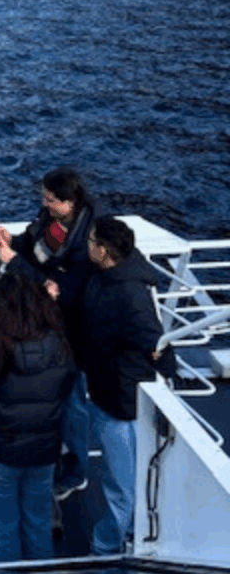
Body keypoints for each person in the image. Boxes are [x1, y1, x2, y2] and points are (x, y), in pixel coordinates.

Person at [0, 166, 100, 499]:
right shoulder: (54, 221)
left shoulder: (83, 243)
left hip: (71, 331)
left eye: (52, 200)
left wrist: (13, 262)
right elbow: (33, 243)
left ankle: (76, 472)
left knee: (73, 404)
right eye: (45, 197)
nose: (45, 203)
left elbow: (61, 288)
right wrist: (13, 241)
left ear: (70, 202)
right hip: (48, 322)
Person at [0, 271, 76, 563]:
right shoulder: (60, 344)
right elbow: (66, 389)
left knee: (1, 526)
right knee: (38, 521)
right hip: (44, 450)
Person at [82, 216, 176, 556]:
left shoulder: (128, 294)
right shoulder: (112, 275)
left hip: (119, 400)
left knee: (120, 485)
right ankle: (128, 533)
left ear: (104, 251)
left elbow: (156, 343)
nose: (87, 244)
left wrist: (166, 372)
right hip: (109, 390)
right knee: (123, 478)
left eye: (91, 240)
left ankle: (106, 547)